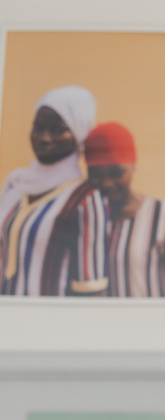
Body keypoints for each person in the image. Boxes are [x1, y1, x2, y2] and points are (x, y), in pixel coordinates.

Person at [0, 86, 108, 297]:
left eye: (58, 130)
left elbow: (92, 289)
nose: (44, 138)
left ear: (79, 132)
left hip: (49, 322)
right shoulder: (16, 186)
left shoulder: (85, 198)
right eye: (38, 127)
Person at [83, 122, 165, 298]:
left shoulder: (163, 217)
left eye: (117, 173)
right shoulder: (85, 218)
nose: (106, 183)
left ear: (133, 166)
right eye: (96, 174)